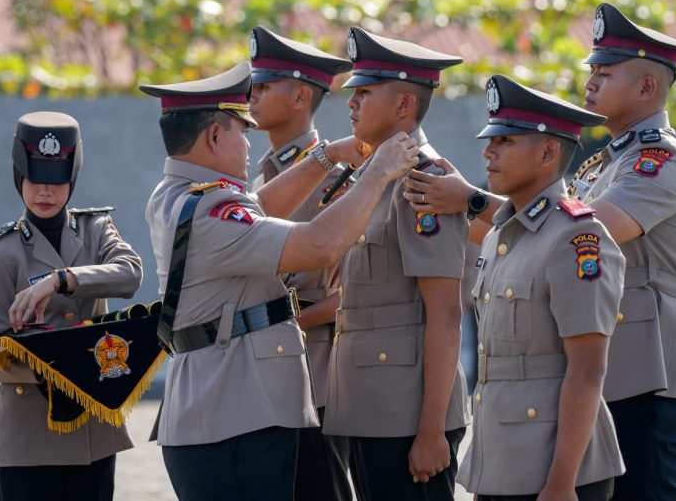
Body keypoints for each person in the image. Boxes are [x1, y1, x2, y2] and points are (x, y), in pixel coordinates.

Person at [404, 3, 676, 500]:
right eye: (591, 71)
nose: (589, 83)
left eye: (604, 73)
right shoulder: (599, 165)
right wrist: (456, 208)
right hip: (606, 371)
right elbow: (530, 244)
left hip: (649, 373)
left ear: (647, 88)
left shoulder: (660, 159)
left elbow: (582, 234)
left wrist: (472, 200)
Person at [139, 60, 418, 501]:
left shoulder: (181, 194)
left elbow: (258, 206)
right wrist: (379, 172)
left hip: (224, 411)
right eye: (240, 132)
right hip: (236, 419)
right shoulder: (214, 214)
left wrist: (327, 156)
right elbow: (320, 245)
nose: (249, 145)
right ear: (214, 136)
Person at [455, 73, 625, 500]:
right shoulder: (499, 234)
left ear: (549, 151)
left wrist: (561, 482)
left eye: (506, 141)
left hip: (555, 470)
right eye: (490, 140)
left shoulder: (577, 237)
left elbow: (587, 370)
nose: (489, 151)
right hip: (500, 459)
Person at [322, 27, 470, 501]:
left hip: (407, 416)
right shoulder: (373, 178)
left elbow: (445, 313)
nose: (352, 103)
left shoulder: (423, 181)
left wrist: (430, 431)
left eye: (365, 93)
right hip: (370, 405)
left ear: (405, 104)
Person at [0, 111, 143, 501]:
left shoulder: (95, 230)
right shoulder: (3, 253)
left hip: (92, 434)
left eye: (56, 181)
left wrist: (63, 279)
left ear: (72, 180)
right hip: (29, 437)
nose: (45, 192)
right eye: (35, 181)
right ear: (20, 178)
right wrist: (61, 370)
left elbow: (130, 273)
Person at [248, 25, 354, 501]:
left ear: (300, 97)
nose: (251, 95)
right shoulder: (262, 174)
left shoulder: (340, 178)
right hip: (264, 368)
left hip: (319, 369)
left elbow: (360, 290)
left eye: (265, 85)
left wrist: (291, 320)